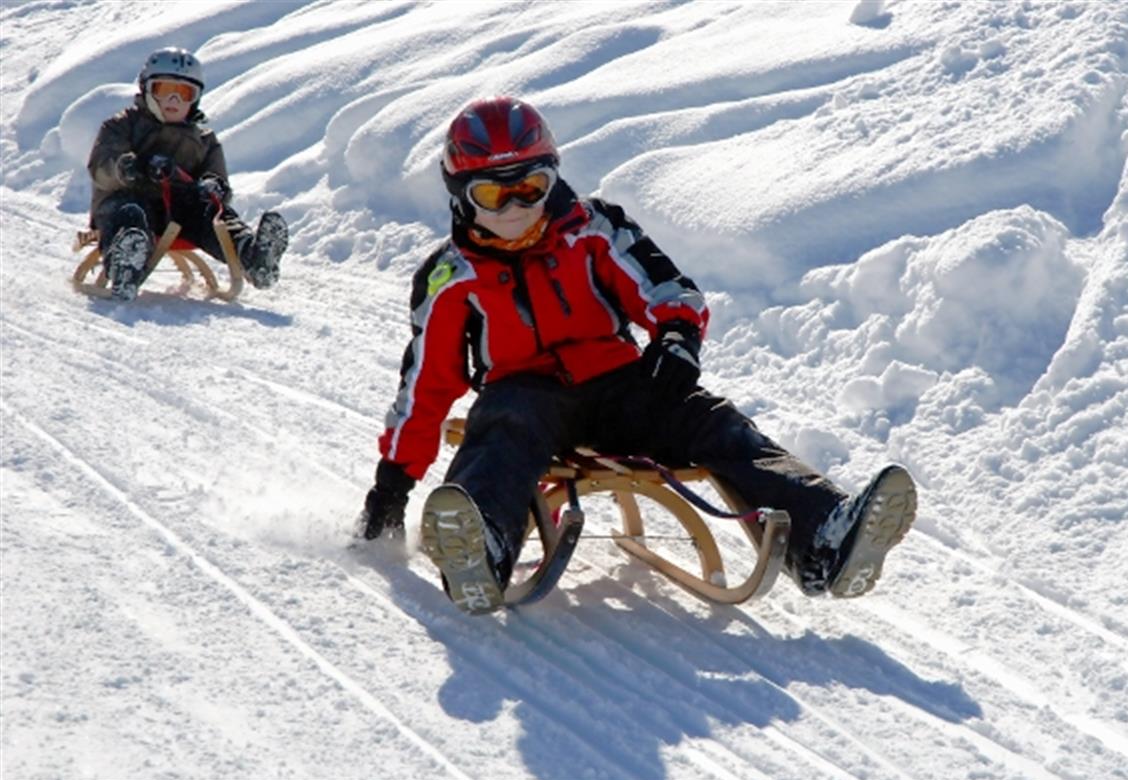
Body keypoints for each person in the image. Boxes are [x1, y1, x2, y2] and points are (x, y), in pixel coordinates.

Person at [359, 96, 917, 614]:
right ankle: (483, 550)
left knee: (713, 422)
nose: (513, 208)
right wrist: (393, 485)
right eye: (492, 194)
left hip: (620, 385)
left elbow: (669, 292)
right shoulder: (450, 277)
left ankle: (825, 538)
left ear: (552, 178)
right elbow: (426, 387)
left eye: (530, 186)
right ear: (460, 194)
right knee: (500, 432)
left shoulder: (595, 229)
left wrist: (676, 340)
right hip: (526, 398)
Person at [86, 47, 287, 301]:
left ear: (196, 98)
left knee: (215, 216)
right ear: (147, 90)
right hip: (129, 201)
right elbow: (101, 167)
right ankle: (125, 263)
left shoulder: (203, 140)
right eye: (164, 90)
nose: (174, 101)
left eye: (183, 93)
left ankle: (254, 257)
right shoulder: (122, 126)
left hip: (180, 213)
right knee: (131, 214)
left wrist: (214, 186)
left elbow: (217, 176)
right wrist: (132, 167)